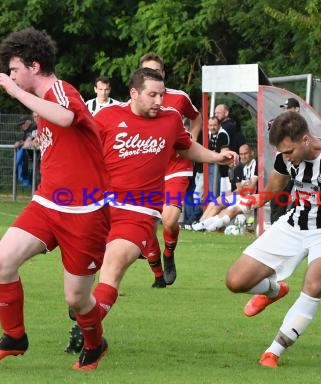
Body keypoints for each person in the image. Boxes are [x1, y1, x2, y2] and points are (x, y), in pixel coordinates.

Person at [76, 67, 235, 366]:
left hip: (138, 212)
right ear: (134, 93)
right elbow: (82, 147)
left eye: (162, 94)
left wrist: (215, 157)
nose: (159, 100)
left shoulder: (171, 119)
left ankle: (86, 326)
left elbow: (186, 147)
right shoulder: (107, 118)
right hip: (99, 209)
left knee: (113, 266)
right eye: (152, 94)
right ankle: (89, 325)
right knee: (79, 286)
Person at [0, 27, 111, 371]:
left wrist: (18, 93)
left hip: (84, 212)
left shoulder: (61, 91)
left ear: (34, 67)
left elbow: (66, 116)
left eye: (15, 69)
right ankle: (14, 336)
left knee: (77, 299)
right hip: (48, 204)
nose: (12, 76)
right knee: (2, 262)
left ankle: (94, 345)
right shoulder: (41, 101)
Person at [225, 111, 321, 368]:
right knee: (235, 281)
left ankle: (273, 352)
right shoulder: (286, 155)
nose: (285, 158)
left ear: (306, 140)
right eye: (282, 153)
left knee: (315, 283)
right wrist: (245, 204)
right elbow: (274, 188)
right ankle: (274, 290)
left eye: (289, 152)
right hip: (294, 223)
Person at [139, 52, 203, 287]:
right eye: (146, 72)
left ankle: (169, 253)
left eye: (156, 72)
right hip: (149, 169)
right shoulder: (134, 104)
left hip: (177, 166)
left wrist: (190, 141)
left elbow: (196, 118)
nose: (152, 76)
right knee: (146, 224)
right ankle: (157, 272)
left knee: (169, 219)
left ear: (163, 74)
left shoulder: (178, 98)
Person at [192, 144, 258, 232]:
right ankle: (201, 223)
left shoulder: (255, 165)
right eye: (241, 154)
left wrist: (243, 187)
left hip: (249, 197)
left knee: (220, 205)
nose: (243, 156)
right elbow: (239, 188)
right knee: (215, 202)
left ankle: (204, 226)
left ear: (251, 153)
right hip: (240, 195)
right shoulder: (242, 167)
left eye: (245, 154)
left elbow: (248, 189)